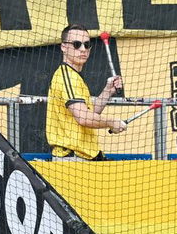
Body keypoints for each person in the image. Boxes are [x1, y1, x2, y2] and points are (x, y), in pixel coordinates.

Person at [46, 25, 125, 161]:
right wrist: (112, 122)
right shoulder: (67, 77)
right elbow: (84, 118)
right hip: (72, 158)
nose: (83, 49)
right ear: (64, 47)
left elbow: (89, 113)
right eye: (77, 44)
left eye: (86, 45)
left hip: (83, 156)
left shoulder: (74, 76)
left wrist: (107, 91)